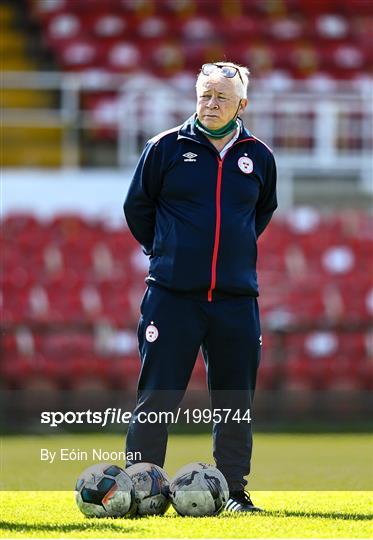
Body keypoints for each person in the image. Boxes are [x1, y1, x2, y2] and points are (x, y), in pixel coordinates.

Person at [123, 61, 277, 512]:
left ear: (241, 105)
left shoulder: (260, 157)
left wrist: (228, 260)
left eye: (221, 98)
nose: (211, 104)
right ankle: (140, 486)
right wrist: (169, 254)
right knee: (157, 395)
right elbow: (138, 209)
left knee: (234, 401)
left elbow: (260, 215)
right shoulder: (164, 148)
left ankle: (233, 492)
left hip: (235, 300)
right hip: (172, 297)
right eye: (205, 95)